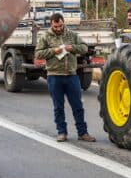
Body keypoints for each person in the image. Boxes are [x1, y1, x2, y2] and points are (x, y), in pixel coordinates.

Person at [35, 13, 96, 143]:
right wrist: (53, 51)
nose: (58, 28)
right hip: (54, 76)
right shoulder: (45, 37)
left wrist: (72, 48)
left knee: (77, 105)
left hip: (71, 75)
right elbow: (38, 54)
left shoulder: (71, 35)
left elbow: (84, 47)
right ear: (51, 24)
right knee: (58, 107)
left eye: (60, 25)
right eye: (55, 26)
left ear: (64, 23)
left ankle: (83, 132)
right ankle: (62, 132)